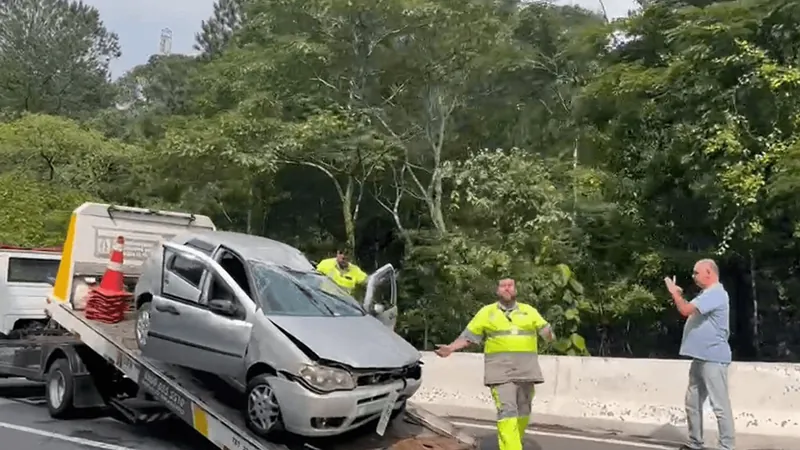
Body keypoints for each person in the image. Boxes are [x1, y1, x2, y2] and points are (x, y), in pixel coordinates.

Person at [434, 278, 555, 450]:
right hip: (500, 372)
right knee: (507, 411)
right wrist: (451, 348)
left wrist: (549, 335)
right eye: (502, 285)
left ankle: (512, 442)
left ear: (515, 289)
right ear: (497, 291)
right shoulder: (487, 312)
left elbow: (547, 332)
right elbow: (469, 336)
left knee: (524, 411)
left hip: (527, 371)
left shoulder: (529, 311)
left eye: (510, 285)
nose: (506, 288)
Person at [664, 258, 735, 450]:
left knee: (719, 406)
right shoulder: (707, 294)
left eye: (696, 272)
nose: (693, 276)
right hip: (700, 357)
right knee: (692, 402)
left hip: (713, 357)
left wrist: (675, 294)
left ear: (709, 273)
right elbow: (689, 308)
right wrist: (679, 295)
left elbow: (686, 310)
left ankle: (726, 447)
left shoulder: (716, 293)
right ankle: (695, 443)